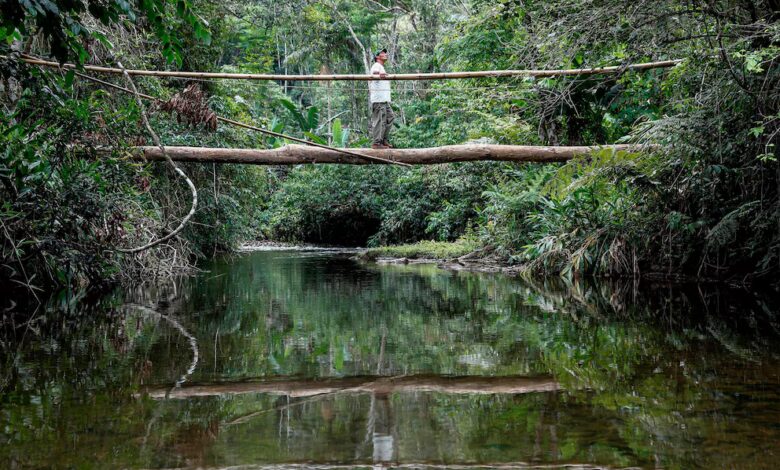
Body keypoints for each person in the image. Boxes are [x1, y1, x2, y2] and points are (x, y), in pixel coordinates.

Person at [369, 49, 394, 149]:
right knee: (379, 120)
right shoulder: (376, 65)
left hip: (384, 100)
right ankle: (377, 143)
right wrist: (379, 74)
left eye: (385, 53)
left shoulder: (381, 67)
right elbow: (375, 73)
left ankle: (383, 139)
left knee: (390, 117)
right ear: (377, 57)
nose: (385, 54)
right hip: (378, 100)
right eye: (382, 53)